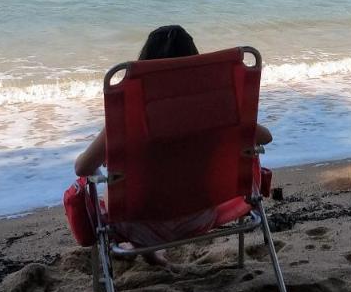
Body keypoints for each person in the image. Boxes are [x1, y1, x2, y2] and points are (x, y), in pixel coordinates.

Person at [73, 24, 273, 178]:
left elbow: (82, 168)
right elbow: (265, 137)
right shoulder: (215, 108)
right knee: (247, 150)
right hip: (205, 212)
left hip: (141, 223)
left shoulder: (130, 114)